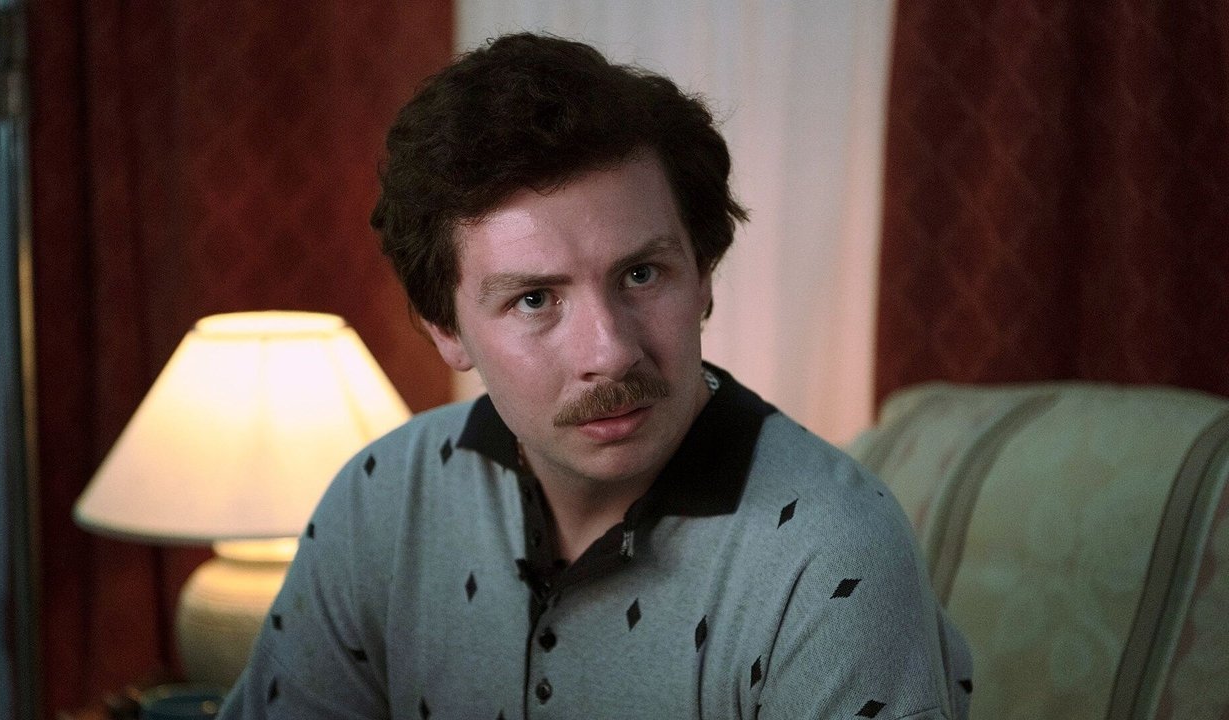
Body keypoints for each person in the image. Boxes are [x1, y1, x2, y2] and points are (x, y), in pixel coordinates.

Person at [218, 32, 971, 719]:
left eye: (641, 274)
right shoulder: (384, 496)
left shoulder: (831, 553)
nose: (610, 352)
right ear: (446, 329)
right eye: (534, 299)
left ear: (703, 276)